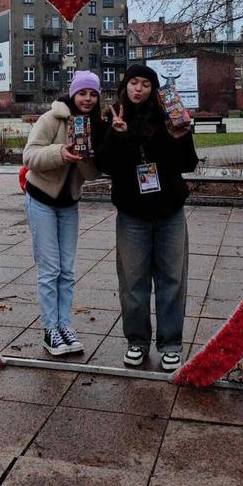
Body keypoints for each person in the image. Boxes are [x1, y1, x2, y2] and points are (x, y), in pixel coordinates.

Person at [95, 64, 198, 372]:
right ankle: (137, 341)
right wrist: (117, 135)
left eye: (145, 85)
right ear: (125, 86)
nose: (138, 89)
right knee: (132, 281)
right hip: (132, 214)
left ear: (154, 90)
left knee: (172, 279)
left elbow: (188, 165)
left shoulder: (168, 117)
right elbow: (104, 164)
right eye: (133, 83)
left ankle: (171, 344)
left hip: (169, 211)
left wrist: (179, 137)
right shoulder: (114, 116)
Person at [22, 70, 103, 356]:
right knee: (49, 269)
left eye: (93, 94)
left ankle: (64, 325)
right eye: (83, 93)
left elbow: (93, 174)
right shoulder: (51, 118)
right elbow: (29, 156)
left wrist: (84, 157)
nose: (88, 98)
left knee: (66, 270)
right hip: (41, 200)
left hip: (69, 204)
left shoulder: (95, 125)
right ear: (73, 93)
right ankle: (50, 330)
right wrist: (60, 152)